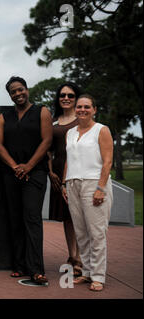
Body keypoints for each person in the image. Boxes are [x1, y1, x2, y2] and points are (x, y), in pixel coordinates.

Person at [0, 76, 53, 284]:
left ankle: (36, 268)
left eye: (20, 90)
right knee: (15, 220)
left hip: (35, 173)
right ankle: (19, 265)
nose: (18, 94)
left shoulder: (42, 111)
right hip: (11, 174)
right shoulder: (5, 116)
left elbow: (47, 140)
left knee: (32, 219)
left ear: (27, 90)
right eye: (13, 92)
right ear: (10, 95)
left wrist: (28, 166)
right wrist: (14, 166)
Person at [62, 94, 114, 292]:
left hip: (94, 183)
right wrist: (65, 183)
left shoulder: (101, 130)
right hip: (73, 183)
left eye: (86, 107)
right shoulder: (71, 132)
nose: (82, 110)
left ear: (94, 110)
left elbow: (107, 161)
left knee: (96, 232)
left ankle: (98, 276)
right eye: (79, 107)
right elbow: (69, 159)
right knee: (81, 232)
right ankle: (86, 271)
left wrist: (101, 188)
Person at [47, 83, 83, 276]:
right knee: (67, 218)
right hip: (58, 173)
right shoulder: (53, 122)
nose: (66, 98)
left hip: (79, 171)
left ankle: (81, 258)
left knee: (79, 216)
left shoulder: (82, 120)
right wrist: (50, 171)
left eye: (70, 95)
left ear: (76, 98)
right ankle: (72, 256)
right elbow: (48, 150)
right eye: (62, 95)